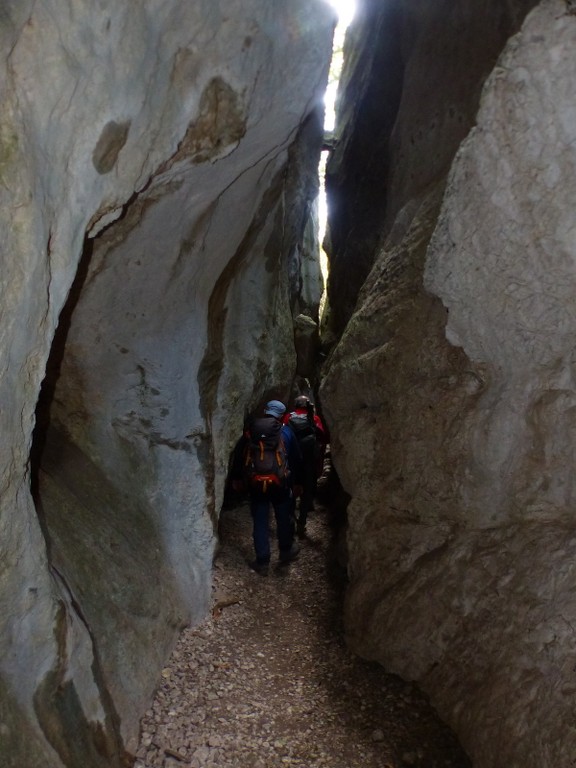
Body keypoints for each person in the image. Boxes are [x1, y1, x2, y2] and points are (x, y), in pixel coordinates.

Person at [233, 399, 303, 575]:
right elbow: (296, 459)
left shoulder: (251, 433)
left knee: (260, 520)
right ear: (281, 416)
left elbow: (240, 457)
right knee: (283, 516)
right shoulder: (286, 432)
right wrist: (297, 483)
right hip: (280, 484)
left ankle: (263, 561)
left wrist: (237, 478)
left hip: (256, 484)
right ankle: (286, 550)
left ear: (265, 411)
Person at [284, 395, 327, 538]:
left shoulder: (287, 418)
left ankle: (289, 520)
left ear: (295, 405)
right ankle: (302, 522)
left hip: (292, 460)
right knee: (307, 490)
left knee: (289, 489)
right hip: (309, 460)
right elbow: (323, 436)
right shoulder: (313, 418)